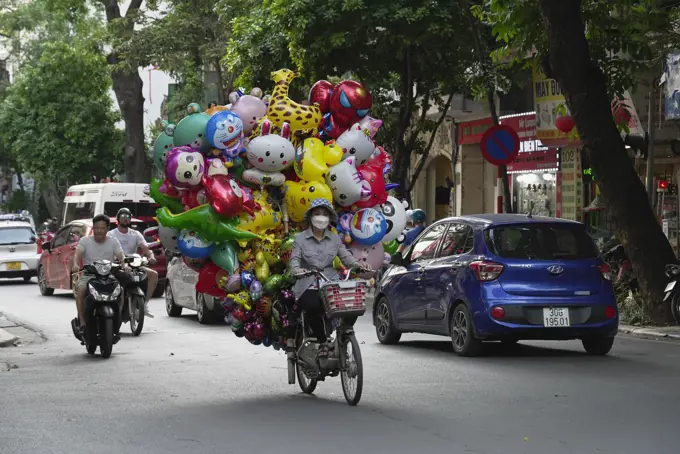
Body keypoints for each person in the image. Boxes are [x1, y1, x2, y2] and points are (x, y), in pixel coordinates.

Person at [289, 199, 367, 357]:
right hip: (308, 282)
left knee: (353, 303)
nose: (321, 217)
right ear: (310, 216)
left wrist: (358, 266)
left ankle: (344, 331)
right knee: (312, 305)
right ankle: (323, 340)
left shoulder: (335, 239)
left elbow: (346, 257)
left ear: (329, 218)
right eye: (317, 214)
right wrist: (297, 269)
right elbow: (294, 259)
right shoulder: (300, 239)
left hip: (330, 282)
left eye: (324, 214)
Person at [71, 214, 125, 337]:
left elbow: (121, 256)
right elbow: (77, 254)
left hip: (109, 276)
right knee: (81, 290)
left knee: (121, 292)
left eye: (102, 228)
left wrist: (124, 264)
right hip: (89, 275)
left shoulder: (113, 241)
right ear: (93, 228)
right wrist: (75, 264)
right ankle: (83, 323)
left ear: (107, 229)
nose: (99, 231)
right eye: (96, 228)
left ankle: (118, 321)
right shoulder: (85, 240)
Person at [107, 208, 158, 317]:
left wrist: (151, 256)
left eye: (127, 217)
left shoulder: (135, 234)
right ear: (118, 219)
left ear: (130, 220)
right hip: (117, 265)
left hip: (134, 264)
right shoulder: (111, 234)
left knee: (154, 274)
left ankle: (145, 305)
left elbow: (146, 248)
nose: (125, 219)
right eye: (123, 217)